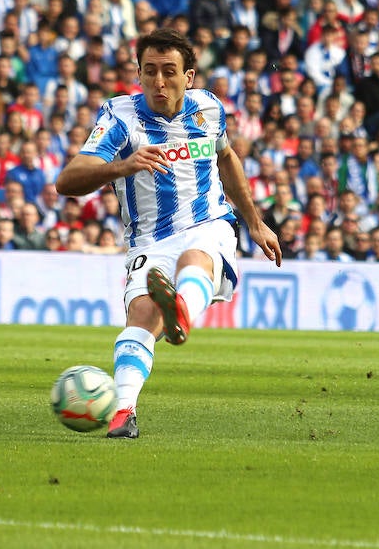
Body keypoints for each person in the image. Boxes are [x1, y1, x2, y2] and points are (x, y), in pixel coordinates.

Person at [55, 28, 282, 438]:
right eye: (150, 72)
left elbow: (226, 156)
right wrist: (121, 166)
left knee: (194, 259)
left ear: (189, 76)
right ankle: (124, 412)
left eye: (170, 72)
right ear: (138, 74)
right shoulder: (120, 119)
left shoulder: (209, 109)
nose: (160, 82)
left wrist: (254, 221)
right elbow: (67, 180)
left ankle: (180, 310)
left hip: (207, 223)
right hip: (148, 240)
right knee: (141, 317)